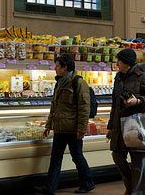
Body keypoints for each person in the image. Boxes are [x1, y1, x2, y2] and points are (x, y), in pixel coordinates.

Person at [35, 54, 95, 195]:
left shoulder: (78, 83)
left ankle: (87, 182)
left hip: (73, 129)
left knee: (77, 156)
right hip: (60, 127)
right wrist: (49, 124)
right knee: (55, 158)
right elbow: (54, 106)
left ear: (65, 67)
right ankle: (50, 188)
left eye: (57, 65)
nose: (54, 68)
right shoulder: (59, 82)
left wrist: (81, 128)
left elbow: (84, 107)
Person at [107, 49, 145, 195]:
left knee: (137, 161)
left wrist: (138, 100)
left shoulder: (142, 77)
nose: (116, 63)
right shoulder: (118, 78)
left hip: (137, 124)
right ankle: (131, 186)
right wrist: (110, 126)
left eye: (119, 61)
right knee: (117, 155)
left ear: (127, 63)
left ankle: (137, 192)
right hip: (119, 124)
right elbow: (115, 103)